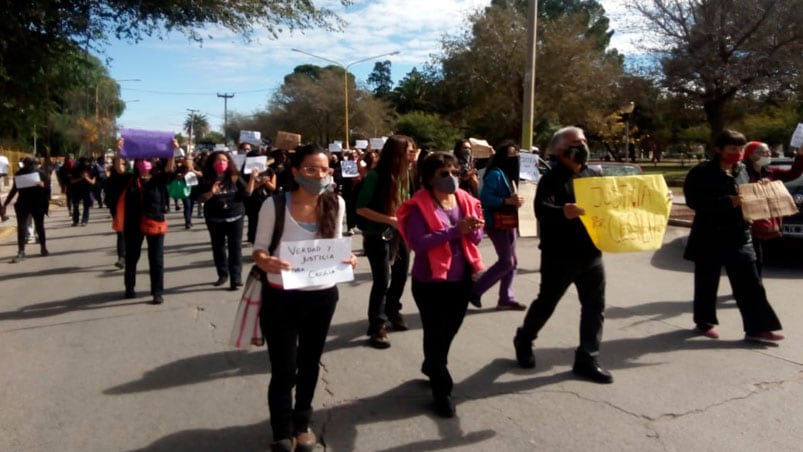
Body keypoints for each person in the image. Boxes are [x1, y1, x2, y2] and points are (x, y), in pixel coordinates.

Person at [252, 144, 356, 452]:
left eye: (324, 169)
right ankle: (281, 430)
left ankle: (302, 423)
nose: (319, 175)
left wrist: (348, 260)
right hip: (281, 296)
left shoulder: (336, 202)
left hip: (322, 297)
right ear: (295, 171)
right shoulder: (274, 205)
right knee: (284, 368)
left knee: (310, 363)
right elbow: (258, 250)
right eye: (311, 169)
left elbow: (336, 246)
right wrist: (265, 260)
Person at [512, 126, 613, 384]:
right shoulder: (552, 178)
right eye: (576, 143)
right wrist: (562, 212)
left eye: (584, 141)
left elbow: (615, 203)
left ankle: (587, 357)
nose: (583, 146)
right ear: (560, 150)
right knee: (547, 302)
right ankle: (524, 339)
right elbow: (541, 210)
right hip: (560, 256)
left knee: (594, 307)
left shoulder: (593, 174)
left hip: (592, 254)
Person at [396, 152, 485, 417]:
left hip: (461, 280)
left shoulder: (466, 200)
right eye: (444, 174)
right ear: (429, 178)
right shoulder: (418, 205)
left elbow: (478, 238)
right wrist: (455, 230)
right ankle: (441, 388)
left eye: (454, 173)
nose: (451, 178)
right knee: (435, 333)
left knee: (448, 331)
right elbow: (418, 243)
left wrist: (474, 228)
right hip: (430, 282)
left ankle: (433, 364)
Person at [683, 130, 784, 342]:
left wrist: (760, 189)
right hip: (709, 236)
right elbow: (694, 202)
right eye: (732, 148)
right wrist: (728, 201)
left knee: (751, 284)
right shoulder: (701, 172)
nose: (737, 153)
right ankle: (704, 322)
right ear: (718, 149)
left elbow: (750, 191)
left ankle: (758, 328)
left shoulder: (743, 170)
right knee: (706, 283)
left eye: (740, 149)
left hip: (740, 235)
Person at [356, 135, 417, 348]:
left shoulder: (406, 175)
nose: (412, 155)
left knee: (401, 275)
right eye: (408, 151)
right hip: (377, 235)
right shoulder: (375, 176)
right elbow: (361, 209)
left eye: (413, 151)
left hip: (400, 234)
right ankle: (377, 325)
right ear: (396, 153)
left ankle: (393, 310)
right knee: (382, 280)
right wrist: (390, 219)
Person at [470, 140, 526, 310]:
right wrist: (507, 200)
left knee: (512, 261)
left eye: (516, 154)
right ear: (503, 157)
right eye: (511, 154)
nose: (514, 158)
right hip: (498, 223)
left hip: (510, 221)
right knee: (506, 261)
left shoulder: (511, 175)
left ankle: (506, 298)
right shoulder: (496, 174)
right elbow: (485, 198)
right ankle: (476, 290)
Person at [114, 148, 175, 304]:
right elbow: (119, 169)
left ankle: (157, 292)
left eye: (148, 160)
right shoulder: (129, 179)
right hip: (132, 224)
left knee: (156, 259)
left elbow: (169, 169)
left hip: (154, 223)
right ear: (136, 163)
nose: (144, 163)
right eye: (141, 160)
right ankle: (129, 288)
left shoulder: (158, 179)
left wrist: (172, 151)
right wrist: (119, 151)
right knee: (132, 257)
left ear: (153, 163)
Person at [741, 141, 803, 274]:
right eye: (762, 152)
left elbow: (794, 173)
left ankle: (754, 285)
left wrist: (800, 155)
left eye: (767, 151)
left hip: (763, 221)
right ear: (750, 155)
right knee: (748, 256)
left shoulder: (770, 172)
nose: (767, 154)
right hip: (745, 221)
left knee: (758, 256)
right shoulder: (741, 172)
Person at [197, 151, 256, 290]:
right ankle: (223, 274)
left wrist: (252, 178)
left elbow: (247, 193)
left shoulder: (234, 177)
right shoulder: (206, 179)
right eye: (218, 161)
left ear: (229, 162)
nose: (221, 163)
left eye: (224, 160)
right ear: (212, 163)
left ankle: (236, 278)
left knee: (235, 248)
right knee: (218, 248)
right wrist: (211, 192)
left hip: (235, 217)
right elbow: (199, 199)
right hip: (214, 219)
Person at [3, 156, 50, 262]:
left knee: (29, 227)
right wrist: (5, 204)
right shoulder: (21, 174)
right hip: (27, 204)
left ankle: (37, 248)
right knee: (30, 226)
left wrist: (42, 185)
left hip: (33, 203)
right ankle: (27, 250)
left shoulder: (39, 174)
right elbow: (14, 190)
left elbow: (47, 187)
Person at [69, 156, 97, 226]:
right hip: (76, 190)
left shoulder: (92, 170)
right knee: (75, 206)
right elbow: (72, 181)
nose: (86, 163)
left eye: (87, 162)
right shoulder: (75, 170)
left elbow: (93, 182)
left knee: (86, 206)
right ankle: (75, 220)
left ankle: (84, 220)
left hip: (87, 190)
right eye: (84, 161)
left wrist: (86, 178)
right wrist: (81, 178)